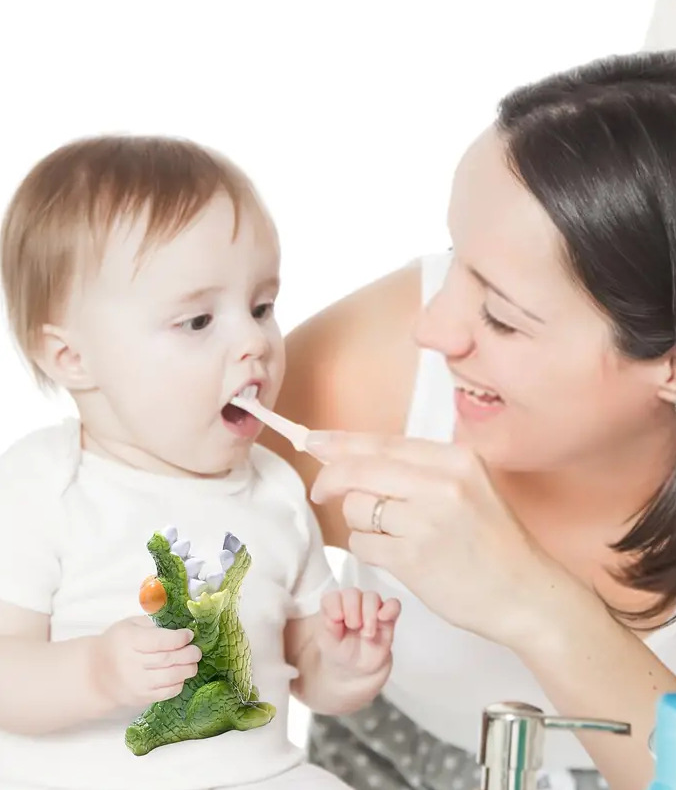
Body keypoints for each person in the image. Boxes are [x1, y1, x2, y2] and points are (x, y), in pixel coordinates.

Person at [261, 49, 676, 790]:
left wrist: (535, 604)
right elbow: (153, 536)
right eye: (455, 256)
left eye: (502, 319)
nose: (434, 329)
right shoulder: (368, 365)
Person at [0, 135, 401, 790]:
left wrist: (345, 663)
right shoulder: (43, 483)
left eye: (262, 307)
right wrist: (95, 673)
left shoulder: (274, 488)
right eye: (197, 322)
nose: (254, 342)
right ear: (73, 358)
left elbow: (303, 668)